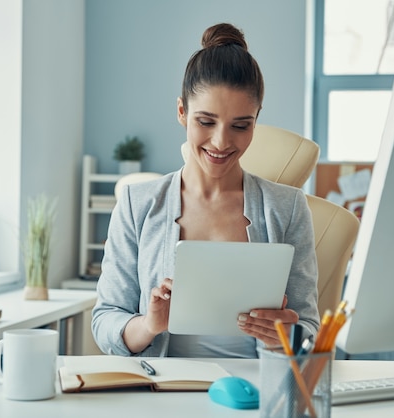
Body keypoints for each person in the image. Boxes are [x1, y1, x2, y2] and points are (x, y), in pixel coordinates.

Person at [92, 22, 319, 358]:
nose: (221, 142)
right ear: (182, 112)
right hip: (163, 396)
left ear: (256, 119)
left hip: (254, 397)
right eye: (206, 122)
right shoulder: (137, 203)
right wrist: (149, 324)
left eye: (240, 125)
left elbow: (310, 333)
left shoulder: (287, 207)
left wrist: (287, 336)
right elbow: (104, 321)